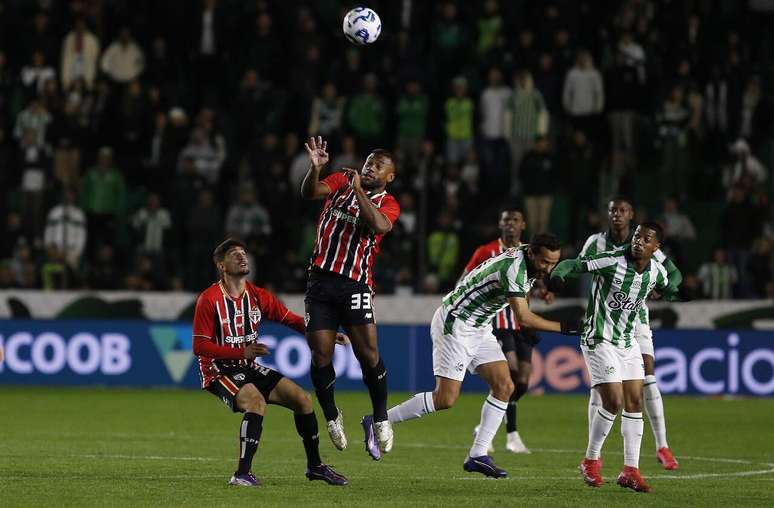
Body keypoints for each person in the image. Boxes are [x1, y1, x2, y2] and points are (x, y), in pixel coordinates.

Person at [384, 234, 580, 478]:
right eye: (545, 263)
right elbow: (524, 317)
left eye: (553, 263)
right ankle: (380, 420)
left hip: (479, 325)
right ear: (531, 254)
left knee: (504, 385)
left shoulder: (526, 257)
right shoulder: (514, 268)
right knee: (445, 399)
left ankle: (477, 455)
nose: (548, 269)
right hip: (455, 323)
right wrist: (566, 327)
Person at [192, 238, 348, 487]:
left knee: (303, 400)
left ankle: (315, 466)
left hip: (248, 367)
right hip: (218, 370)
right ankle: (242, 474)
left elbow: (288, 318)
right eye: (234, 254)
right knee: (256, 401)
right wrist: (242, 353)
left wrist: (324, 331)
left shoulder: (257, 295)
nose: (242, 257)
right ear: (221, 265)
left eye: (244, 253)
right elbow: (199, 347)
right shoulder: (209, 299)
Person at [552, 223, 682, 492]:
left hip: (627, 342)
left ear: (655, 247)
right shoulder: (611, 260)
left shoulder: (655, 271)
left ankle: (630, 471)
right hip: (599, 339)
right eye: (636, 236)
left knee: (635, 402)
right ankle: (590, 461)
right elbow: (575, 264)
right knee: (613, 399)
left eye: (646, 239)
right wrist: (558, 275)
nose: (638, 241)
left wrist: (671, 291)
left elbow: (670, 286)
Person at [301, 136, 400, 460]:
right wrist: (315, 169)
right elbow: (310, 193)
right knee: (320, 356)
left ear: (389, 177)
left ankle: (381, 417)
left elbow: (379, 226)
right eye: (369, 162)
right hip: (320, 282)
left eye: (378, 166)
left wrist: (360, 191)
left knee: (368, 355)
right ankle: (331, 415)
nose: (370, 168)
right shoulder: (342, 180)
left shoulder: (388, 202)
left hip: (356, 284)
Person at [580, 197, 681, 470]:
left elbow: (674, 275)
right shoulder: (597, 244)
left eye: (622, 210)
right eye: (612, 210)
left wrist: (667, 289)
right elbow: (580, 267)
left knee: (647, 376)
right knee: (604, 389)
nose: (617, 215)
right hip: (604, 319)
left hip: (636, 319)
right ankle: (594, 454)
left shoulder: (648, 245)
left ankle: (662, 445)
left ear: (631, 215)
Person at [462, 208, 552, 454]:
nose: (510, 225)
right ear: (500, 224)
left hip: (521, 324)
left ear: (523, 225)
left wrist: (543, 292)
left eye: (514, 221)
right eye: (506, 221)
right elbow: (465, 279)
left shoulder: (530, 252)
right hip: (497, 323)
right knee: (510, 373)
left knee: (522, 381)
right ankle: (512, 434)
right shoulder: (486, 251)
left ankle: (484, 426)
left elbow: (536, 281)